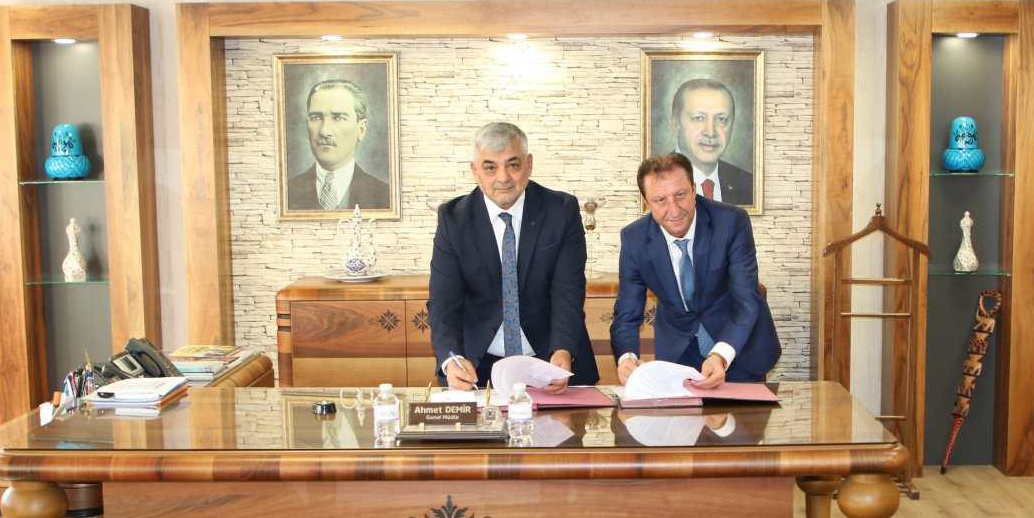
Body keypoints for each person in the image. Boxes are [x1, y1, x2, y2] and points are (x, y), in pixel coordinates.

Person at [428, 121, 599, 394]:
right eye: (490, 167)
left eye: (513, 165)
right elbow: (443, 303)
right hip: (478, 368)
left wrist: (563, 348)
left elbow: (568, 291)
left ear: (528, 165)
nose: (503, 178)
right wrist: (451, 359)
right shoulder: (453, 220)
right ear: (475, 171)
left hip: (551, 359)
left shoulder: (561, 211)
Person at [611, 152, 780, 387]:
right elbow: (627, 314)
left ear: (693, 188)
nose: (674, 210)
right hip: (679, 353)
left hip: (737, 347)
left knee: (742, 412)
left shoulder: (731, 222)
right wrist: (626, 357)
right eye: (660, 200)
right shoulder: (634, 239)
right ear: (646, 201)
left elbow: (746, 300)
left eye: (680, 195)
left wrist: (720, 355)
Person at [287, 79, 392, 211]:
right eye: (316, 118)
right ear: (307, 127)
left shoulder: (386, 197)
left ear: (361, 129)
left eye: (338, 118)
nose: (324, 131)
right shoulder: (286, 193)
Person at [670, 78, 754, 206]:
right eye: (698, 118)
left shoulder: (749, 184)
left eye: (721, 119)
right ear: (676, 124)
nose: (710, 132)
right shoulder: (653, 180)